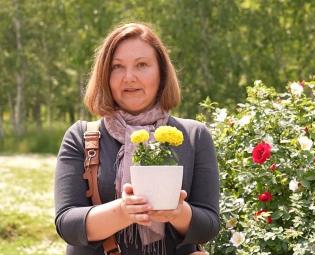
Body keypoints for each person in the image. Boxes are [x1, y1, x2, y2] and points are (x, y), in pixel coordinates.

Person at [54, 22, 220, 255]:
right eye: (117, 67)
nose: (129, 77)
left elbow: (209, 225)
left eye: (142, 65)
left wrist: (177, 212)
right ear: (105, 76)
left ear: (161, 73)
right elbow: (67, 224)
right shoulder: (82, 136)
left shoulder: (194, 136)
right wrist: (123, 211)